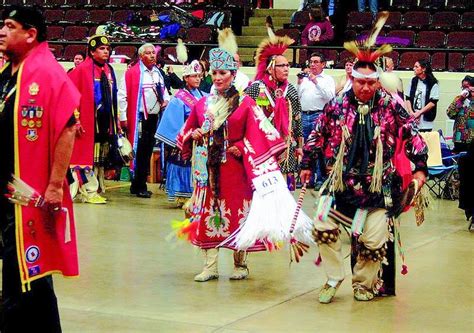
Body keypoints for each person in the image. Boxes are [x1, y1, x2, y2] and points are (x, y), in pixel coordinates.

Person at [300, 34, 428, 304]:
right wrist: (307, 164)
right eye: (361, 82)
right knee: (321, 224)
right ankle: (334, 277)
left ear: (378, 82)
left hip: (377, 190)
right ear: (352, 80)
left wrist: (420, 169)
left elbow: (414, 136)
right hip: (340, 187)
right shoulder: (336, 106)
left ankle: (363, 284)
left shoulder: (391, 107)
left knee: (374, 242)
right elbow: (317, 136)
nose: (366, 88)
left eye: (371, 83)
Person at [176, 42, 287, 282]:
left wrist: (242, 146)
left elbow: (262, 134)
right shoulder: (202, 104)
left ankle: (240, 263)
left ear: (233, 75)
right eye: (214, 73)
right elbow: (186, 131)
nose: (217, 77)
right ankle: (210, 265)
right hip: (209, 171)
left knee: (239, 214)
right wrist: (192, 135)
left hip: (236, 170)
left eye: (223, 73)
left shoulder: (245, 103)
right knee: (208, 214)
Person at [0, 6, 80, 331]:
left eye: (9, 26)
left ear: (30, 34)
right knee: (22, 272)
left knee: (27, 269)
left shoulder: (46, 72)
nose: (2, 31)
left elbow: (68, 126)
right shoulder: (10, 72)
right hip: (7, 189)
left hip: (28, 193)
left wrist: (55, 185)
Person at [245, 34, 303, 190]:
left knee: (286, 192)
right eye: (281, 65)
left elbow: (298, 118)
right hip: (263, 147)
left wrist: (300, 146)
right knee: (264, 192)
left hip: (286, 147)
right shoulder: (257, 88)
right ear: (271, 68)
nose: (286, 69)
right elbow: (244, 112)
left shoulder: (290, 89)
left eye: (287, 65)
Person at [68, 34, 120, 204]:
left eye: (107, 49)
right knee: (84, 156)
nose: (106, 51)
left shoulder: (109, 70)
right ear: (91, 52)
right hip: (88, 121)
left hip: (105, 121)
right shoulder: (82, 70)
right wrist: (76, 119)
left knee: (98, 157)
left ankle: (94, 188)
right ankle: (87, 190)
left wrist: (116, 120)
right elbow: (70, 96)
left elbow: (114, 97)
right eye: (101, 49)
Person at [117, 43, 170, 198]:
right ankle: (139, 184)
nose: (153, 55)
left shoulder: (158, 73)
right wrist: (123, 118)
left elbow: (164, 91)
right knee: (139, 152)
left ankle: (138, 184)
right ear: (141, 56)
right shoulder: (132, 73)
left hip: (154, 118)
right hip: (139, 118)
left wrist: (166, 101)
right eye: (148, 53)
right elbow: (122, 96)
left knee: (147, 151)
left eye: (153, 52)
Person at [155, 60, 207, 205]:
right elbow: (172, 121)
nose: (197, 79)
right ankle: (182, 195)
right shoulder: (179, 99)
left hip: (201, 138)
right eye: (193, 76)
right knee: (182, 163)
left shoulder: (204, 95)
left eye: (199, 75)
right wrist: (184, 136)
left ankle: (197, 193)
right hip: (185, 138)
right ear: (185, 78)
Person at [297, 52, 335, 189]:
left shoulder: (327, 79)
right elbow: (299, 96)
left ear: (323, 64)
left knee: (319, 149)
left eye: (316, 62)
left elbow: (330, 96)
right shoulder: (305, 79)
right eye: (311, 62)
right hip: (304, 115)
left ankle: (320, 179)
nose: (312, 64)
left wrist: (316, 81)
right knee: (307, 148)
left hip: (319, 115)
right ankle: (309, 179)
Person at [405, 59, 439, 132]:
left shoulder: (432, 83)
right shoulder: (413, 81)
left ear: (423, 69)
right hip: (413, 119)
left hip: (425, 121)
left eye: (416, 67)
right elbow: (407, 98)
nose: (414, 68)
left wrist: (420, 113)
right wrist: (412, 113)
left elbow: (433, 102)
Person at [446, 75, 474, 153]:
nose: (465, 90)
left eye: (467, 87)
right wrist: (460, 100)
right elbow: (450, 114)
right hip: (459, 138)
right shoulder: (459, 99)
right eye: (463, 87)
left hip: (472, 140)